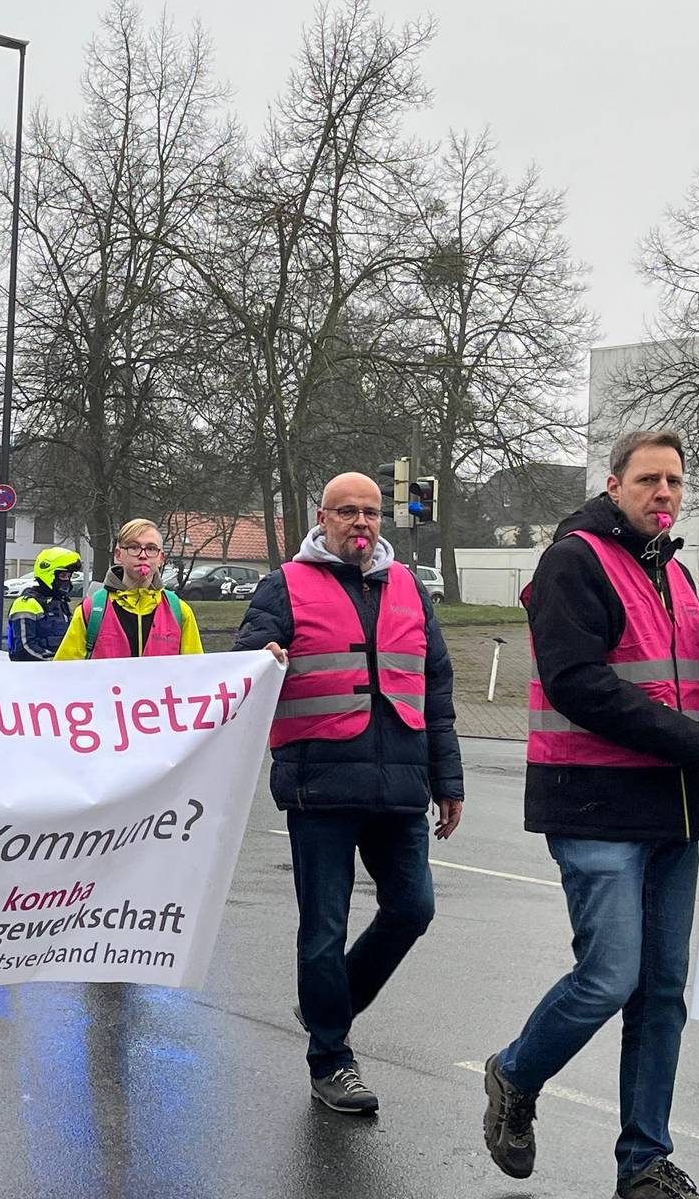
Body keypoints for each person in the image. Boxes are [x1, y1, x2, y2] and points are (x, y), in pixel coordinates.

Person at [479, 430, 699, 1199]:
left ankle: (644, 1162)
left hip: (670, 809)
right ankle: (514, 1073)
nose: (664, 493)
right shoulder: (575, 558)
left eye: (674, 481)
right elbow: (577, 682)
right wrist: (690, 739)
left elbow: (680, 666)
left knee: (662, 991)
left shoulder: (671, 567)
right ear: (615, 484)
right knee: (608, 978)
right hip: (595, 802)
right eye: (649, 481)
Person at [232, 471, 462, 1115]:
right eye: (348, 512)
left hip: (400, 785)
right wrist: (263, 656)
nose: (361, 523)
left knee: (412, 909)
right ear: (323, 517)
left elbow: (435, 689)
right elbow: (243, 664)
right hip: (320, 788)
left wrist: (448, 779)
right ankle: (331, 1058)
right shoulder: (286, 584)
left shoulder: (411, 589)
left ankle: (325, 1004)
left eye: (372, 512)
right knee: (323, 929)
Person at [57, 522, 201, 659]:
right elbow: (63, 674)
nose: (143, 555)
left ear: (161, 558)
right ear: (119, 555)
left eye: (151, 548)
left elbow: (196, 673)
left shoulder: (180, 612)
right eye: (134, 547)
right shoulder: (91, 610)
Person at [6, 546, 85, 661]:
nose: (67, 581)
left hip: (59, 672)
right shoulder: (26, 604)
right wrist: (56, 662)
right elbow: (24, 649)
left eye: (69, 576)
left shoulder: (61, 604)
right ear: (49, 574)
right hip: (34, 674)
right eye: (63, 576)